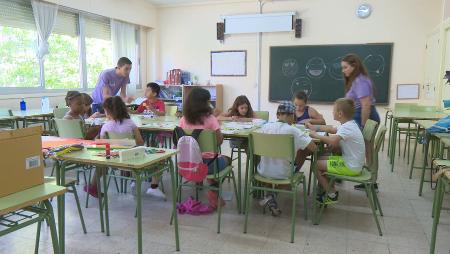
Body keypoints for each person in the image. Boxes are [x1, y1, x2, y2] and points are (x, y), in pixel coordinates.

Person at [83, 96, 165, 199]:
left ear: (107, 112)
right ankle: (153, 186)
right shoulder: (130, 123)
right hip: (133, 159)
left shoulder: (105, 126)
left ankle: (94, 185)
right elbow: (140, 142)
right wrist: (128, 143)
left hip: (113, 160)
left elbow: (103, 146)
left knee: (102, 161)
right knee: (161, 158)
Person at [257, 101, 317, 216]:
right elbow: (313, 148)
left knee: (270, 166)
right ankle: (272, 196)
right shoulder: (293, 131)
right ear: (291, 115)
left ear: (277, 115)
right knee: (292, 171)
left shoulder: (263, 128)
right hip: (284, 174)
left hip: (262, 172)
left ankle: (269, 197)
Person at [179, 87, 230, 209]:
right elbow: (219, 141)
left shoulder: (183, 119)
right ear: (204, 103)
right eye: (208, 101)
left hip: (187, 164)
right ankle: (213, 189)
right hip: (208, 165)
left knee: (208, 160)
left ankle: (205, 183)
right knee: (227, 159)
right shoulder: (210, 119)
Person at [307, 98, 365, 204]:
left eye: (333, 110)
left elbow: (333, 141)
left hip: (351, 166)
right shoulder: (349, 124)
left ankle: (331, 194)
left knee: (315, 165)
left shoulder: (347, 127)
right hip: (353, 162)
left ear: (340, 113)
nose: (332, 112)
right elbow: (331, 129)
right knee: (321, 157)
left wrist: (314, 135)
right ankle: (327, 188)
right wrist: (314, 127)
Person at [341, 54, 380, 128]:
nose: (343, 71)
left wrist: (363, 126)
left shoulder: (360, 81)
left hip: (363, 116)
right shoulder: (356, 80)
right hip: (358, 115)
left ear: (354, 66)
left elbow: (366, 105)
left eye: (345, 67)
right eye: (342, 68)